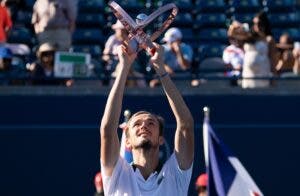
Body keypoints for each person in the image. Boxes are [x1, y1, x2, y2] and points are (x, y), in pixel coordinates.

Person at [100, 43, 194, 195]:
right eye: (136, 124)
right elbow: (108, 130)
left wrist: (160, 69)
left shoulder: (175, 175)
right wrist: (124, 67)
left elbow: (186, 126)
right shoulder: (117, 175)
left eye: (151, 123)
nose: (144, 126)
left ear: (161, 139)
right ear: (127, 141)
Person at [102, 20, 148, 87]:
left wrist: (126, 41)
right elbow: (105, 54)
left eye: (123, 30)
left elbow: (133, 53)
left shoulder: (133, 40)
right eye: (120, 29)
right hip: (114, 64)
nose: (121, 31)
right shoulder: (112, 38)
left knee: (139, 76)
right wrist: (109, 58)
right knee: (114, 77)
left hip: (130, 63)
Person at [241, 11, 278, 88]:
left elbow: (273, 60)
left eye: (259, 23)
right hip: (248, 76)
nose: (257, 26)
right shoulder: (248, 37)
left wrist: (274, 78)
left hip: (263, 75)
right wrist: (239, 25)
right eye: (254, 23)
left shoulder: (269, 39)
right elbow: (231, 33)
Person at [223, 21, 245, 86]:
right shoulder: (228, 50)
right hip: (232, 78)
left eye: (237, 38)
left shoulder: (247, 48)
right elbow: (227, 65)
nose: (236, 40)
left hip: (245, 75)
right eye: (233, 38)